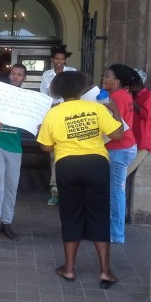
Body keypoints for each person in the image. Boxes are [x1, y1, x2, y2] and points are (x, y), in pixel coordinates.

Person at [37, 71, 123, 289]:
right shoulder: (96, 108)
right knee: (99, 215)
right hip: (96, 165)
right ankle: (105, 271)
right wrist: (115, 111)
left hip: (67, 166)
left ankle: (69, 268)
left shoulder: (53, 113)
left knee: (71, 215)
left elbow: (46, 147)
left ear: (57, 90)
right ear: (81, 89)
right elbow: (118, 135)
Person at [0, 63, 27, 241]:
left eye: (19, 74)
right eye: (13, 73)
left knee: (12, 184)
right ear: (9, 75)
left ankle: (7, 221)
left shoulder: (27, 98)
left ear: (24, 78)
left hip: (14, 145)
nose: (15, 76)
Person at [102, 64, 137, 243]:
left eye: (107, 76)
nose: (104, 78)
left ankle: (116, 234)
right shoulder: (124, 94)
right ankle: (114, 231)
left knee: (116, 192)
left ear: (116, 81)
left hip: (119, 148)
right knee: (116, 190)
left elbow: (116, 126)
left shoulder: (116, 96)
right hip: (125, 147)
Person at [39, 44, 77, 207]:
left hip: (70, 117)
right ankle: (55, 190)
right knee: (54, 155)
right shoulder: (47, 75)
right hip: (54, 117)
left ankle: (69, 191)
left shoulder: (72, 72)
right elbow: (43, 98)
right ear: (52, 59)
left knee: (71, 153)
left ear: (65, 60)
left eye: (62, 59)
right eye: (56, 59)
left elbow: (77, 94)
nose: (59, 62)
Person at [127, 68, 151, 175]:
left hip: (142, 142)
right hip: (131, 140)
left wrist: (132, 101)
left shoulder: (149, 95)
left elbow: (146, 114)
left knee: (125, 173)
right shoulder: (132, 96)